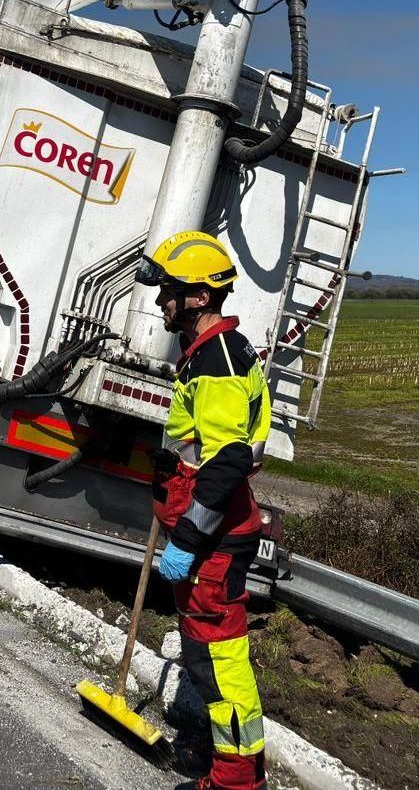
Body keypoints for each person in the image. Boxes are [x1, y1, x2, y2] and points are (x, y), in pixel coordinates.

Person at [135, 230, 269, 790]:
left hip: (213, 539)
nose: (160, 299)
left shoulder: (216, 361)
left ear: (197, 298)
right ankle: (217, 756)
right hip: (207, 533)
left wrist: (188, 539)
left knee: (219, 661)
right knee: (203, 655)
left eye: (168, 289)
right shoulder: (209, 354)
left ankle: (237, 781)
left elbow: (228, 461)